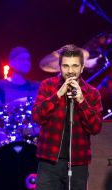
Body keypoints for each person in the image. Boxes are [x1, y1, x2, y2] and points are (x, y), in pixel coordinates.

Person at [32, 44, 103, 190]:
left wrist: (82, 101)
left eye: (75, 66)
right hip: (49, 162)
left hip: (78, 163)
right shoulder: (48, 85)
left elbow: (95, 128)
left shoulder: (92, 93)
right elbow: (37, 117)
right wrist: (58, 94)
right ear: (59, 67)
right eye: (65, 66)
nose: (70, 71)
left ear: (82, 68)